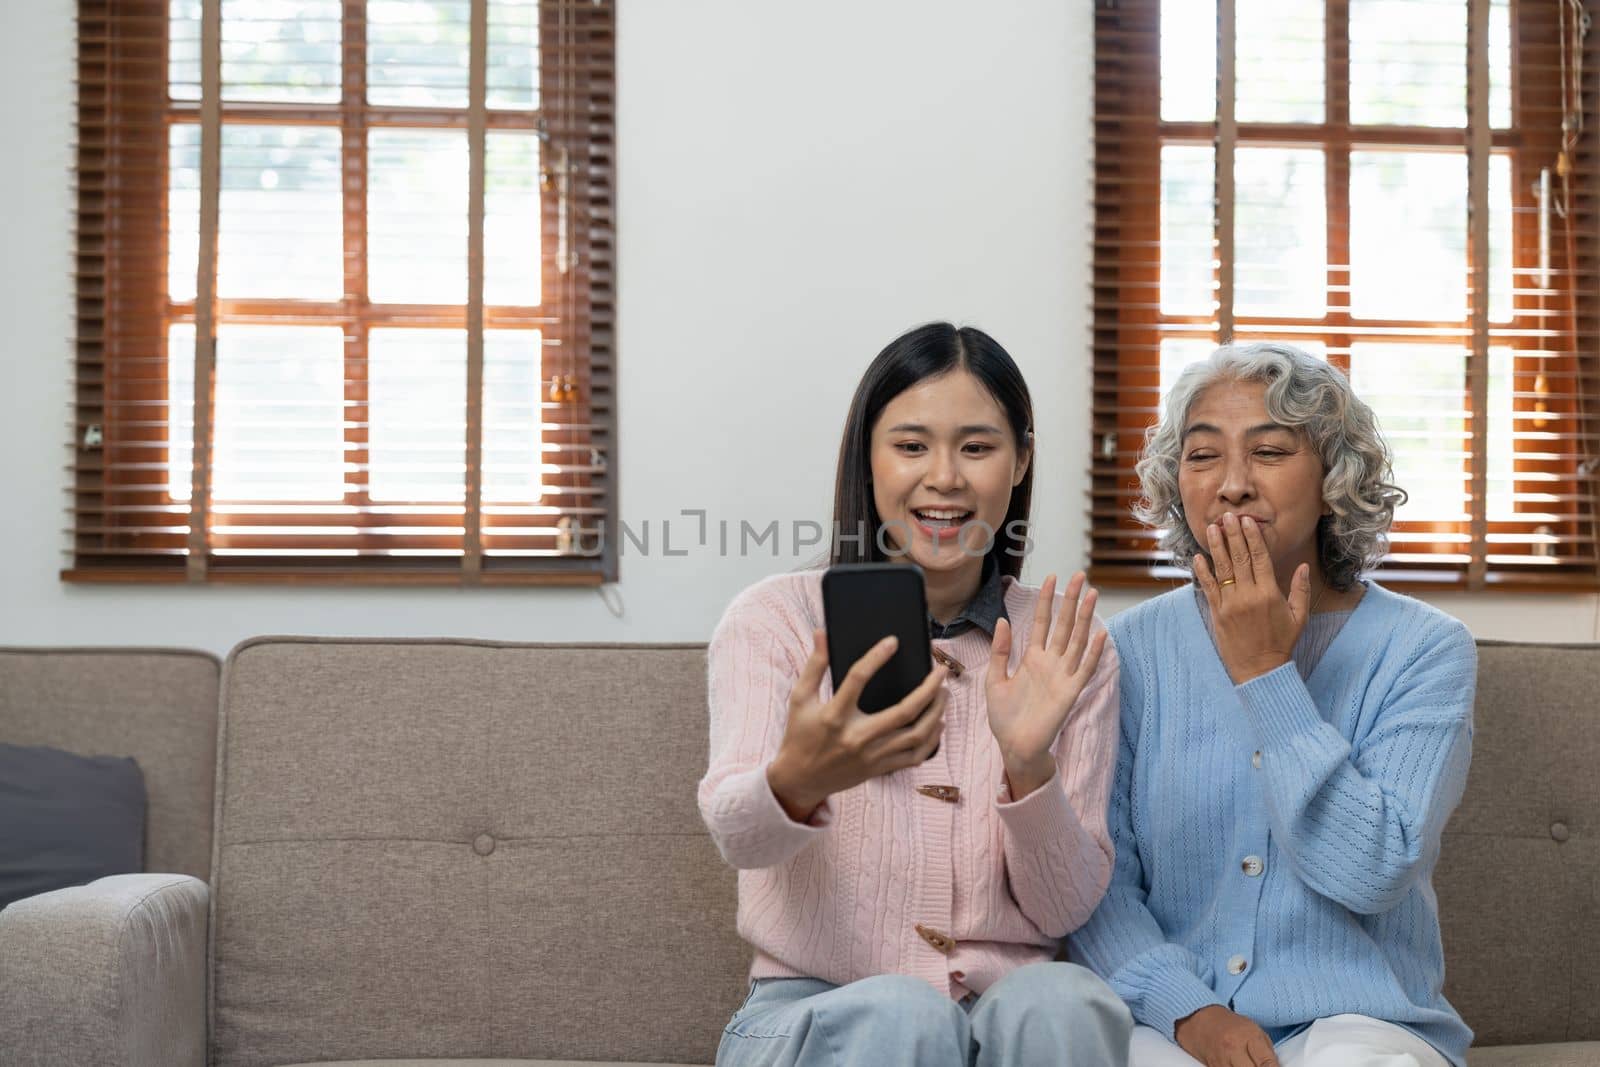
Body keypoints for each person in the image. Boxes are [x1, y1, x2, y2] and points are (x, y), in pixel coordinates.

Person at [698, 322, 1134, 1067]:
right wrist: (800, 776)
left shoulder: (1066, 647)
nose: (945, 477)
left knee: (1069, 999)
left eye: (976, 446)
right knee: (903, 1016)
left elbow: (1066, 910)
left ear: (1021, 459)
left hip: (1002, 1013)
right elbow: (738, 836)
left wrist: (1030, 767)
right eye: (910, 445)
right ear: (867, 459)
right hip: (810, 1011)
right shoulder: (772, 620)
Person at [1067, 342, 1476, 1067]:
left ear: (1334, 479)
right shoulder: (1128, 651)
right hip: (1173, 1025)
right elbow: (1097, 883)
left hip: (1365, 1026)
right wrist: (1187, 1010)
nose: (1232, 484)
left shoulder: (1426, 650)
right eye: (1201, 456)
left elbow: (1372, 870)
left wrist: (1265, 673)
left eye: (1270, 451)